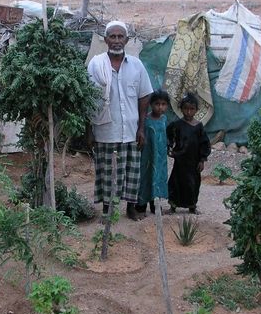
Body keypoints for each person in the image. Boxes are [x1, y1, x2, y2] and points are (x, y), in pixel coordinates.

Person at [87, 20, 153, 221]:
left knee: (132, 172)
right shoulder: (96, 64)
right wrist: (89, 131)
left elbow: (144, 97)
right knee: (108, 174)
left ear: (126, 39)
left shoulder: (136, 65)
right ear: (106, 39)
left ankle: (131, 209)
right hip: (106, 129)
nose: (116, 41)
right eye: (112, 37)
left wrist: (141, 128)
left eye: (120, 37)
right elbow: (88, 98)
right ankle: (108, 210)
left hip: (131, 130)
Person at [167, 92, 211, 214]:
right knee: (176, 182)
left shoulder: (198, 126)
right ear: (181, 109)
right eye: (186, 109)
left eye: (192, 109)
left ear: (196, 110)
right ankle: (173, 206)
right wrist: (170, 148)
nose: (189, 112)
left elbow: (204, 144)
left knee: (193, 184)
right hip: (180, 160)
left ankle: (192, 206)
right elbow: (170, 136)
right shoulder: (177, 125)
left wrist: (202, 160)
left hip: (193, 162)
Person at [136, 90, 171, 216]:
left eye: (163, 104)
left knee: (158, 176)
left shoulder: (164, 119)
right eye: (157, 104)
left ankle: (155, 203)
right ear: (151, 104)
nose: (160, 107)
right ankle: (141, 205)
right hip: (147, 155)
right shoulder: (146, 120)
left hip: (160, 156)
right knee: (145, 176)